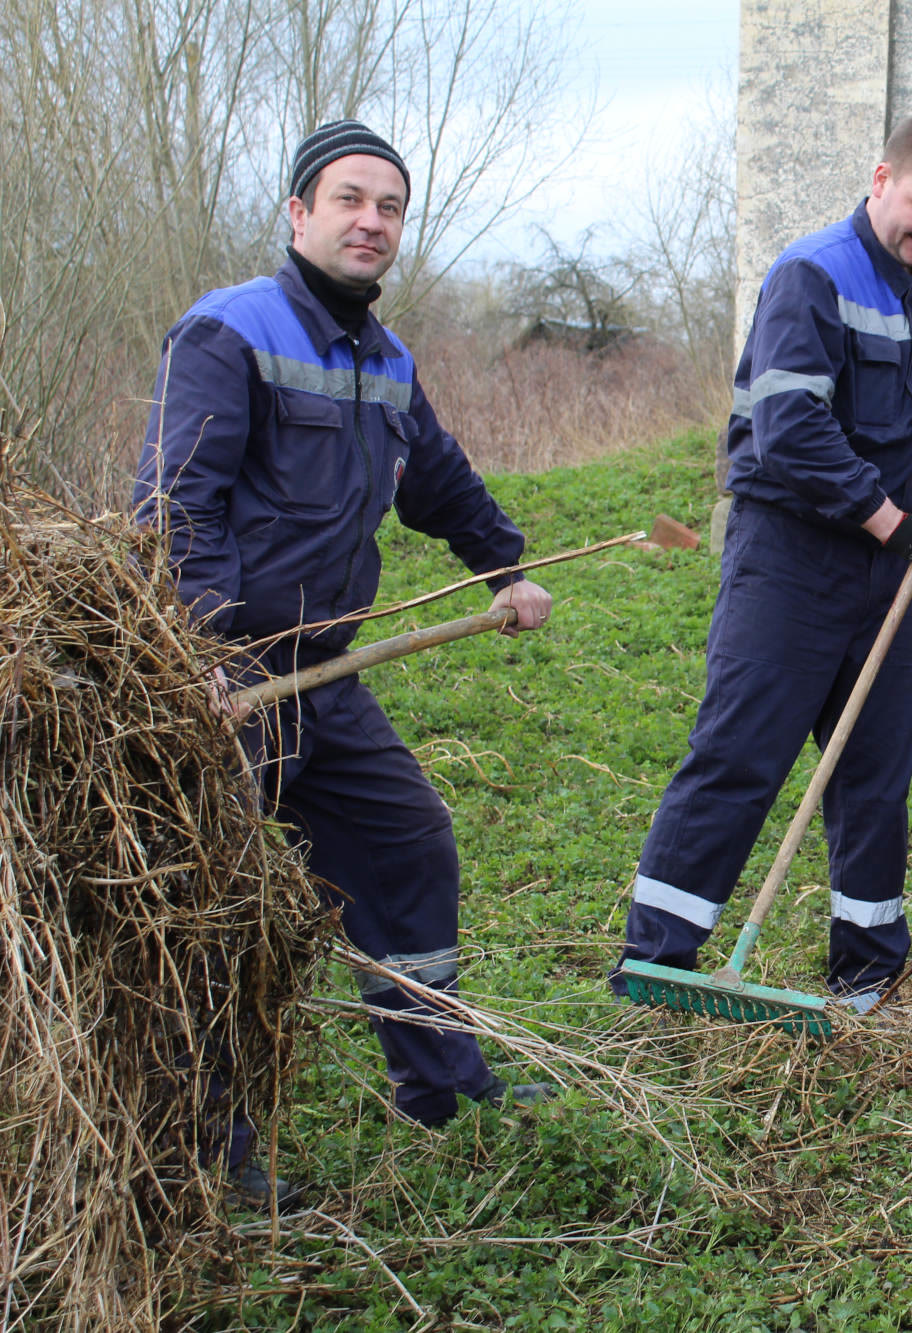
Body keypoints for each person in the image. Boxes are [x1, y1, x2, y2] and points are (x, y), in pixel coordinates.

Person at [135, 120, 557, 1205]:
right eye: (349, 201)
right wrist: (208, 652)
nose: (371, 222)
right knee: (215, 903)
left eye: (390, 208)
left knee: (408, 840)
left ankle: (439, 1083)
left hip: (325, 676)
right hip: (229, 681)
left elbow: (439, 480)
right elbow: (175, 505)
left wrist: (500, 566)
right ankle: (204, 1153)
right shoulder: (229, 331)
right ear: (298, 213)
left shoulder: (384, 359)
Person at [613, 117, 912, 1012]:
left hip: (885, 572)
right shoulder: (812, 275)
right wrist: (890, 523)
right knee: (738, 756)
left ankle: (866, 976)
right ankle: (659, 965)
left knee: (874, 773)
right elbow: (790, 432)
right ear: (882, 178)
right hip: (790, 559)